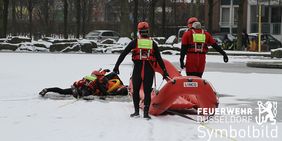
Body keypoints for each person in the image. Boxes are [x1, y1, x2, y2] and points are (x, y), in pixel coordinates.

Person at [113, 21, 169, 119]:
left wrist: (117, 66)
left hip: (138, 69)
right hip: (149, 70)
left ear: (139, 31)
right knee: (147, 92)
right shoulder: (152, 43)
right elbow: (159, 59)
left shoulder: (135, 42)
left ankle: (136, 112)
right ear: (148, 31)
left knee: (136, 91)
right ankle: (146, 114)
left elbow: (123, 54)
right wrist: (164, 71)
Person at [39, 69, 127, 99]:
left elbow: (101, 74)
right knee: (64, 91)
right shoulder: (100, 81)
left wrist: (105, 71)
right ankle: (47, 89)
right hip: (83, 88)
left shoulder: (100, 78)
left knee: (62, 91)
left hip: (81, 87)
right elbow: (104, 92)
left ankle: (47, 89)